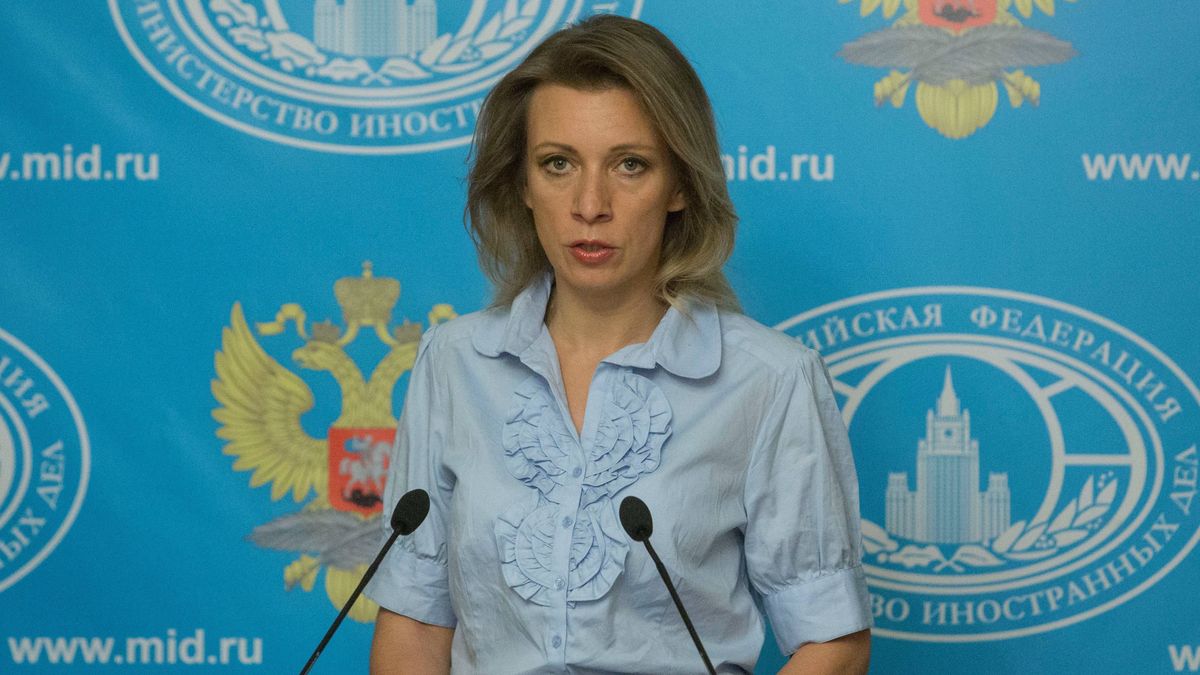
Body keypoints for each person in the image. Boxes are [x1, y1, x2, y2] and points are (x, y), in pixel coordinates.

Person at [366, 15, 871, 674]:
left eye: (630, 165)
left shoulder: (770, 381)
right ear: (522, 184)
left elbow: (833, 639)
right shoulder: (454, 362)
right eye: (558, 164)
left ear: (680, 184)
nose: (590, 204)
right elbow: (414, 621)